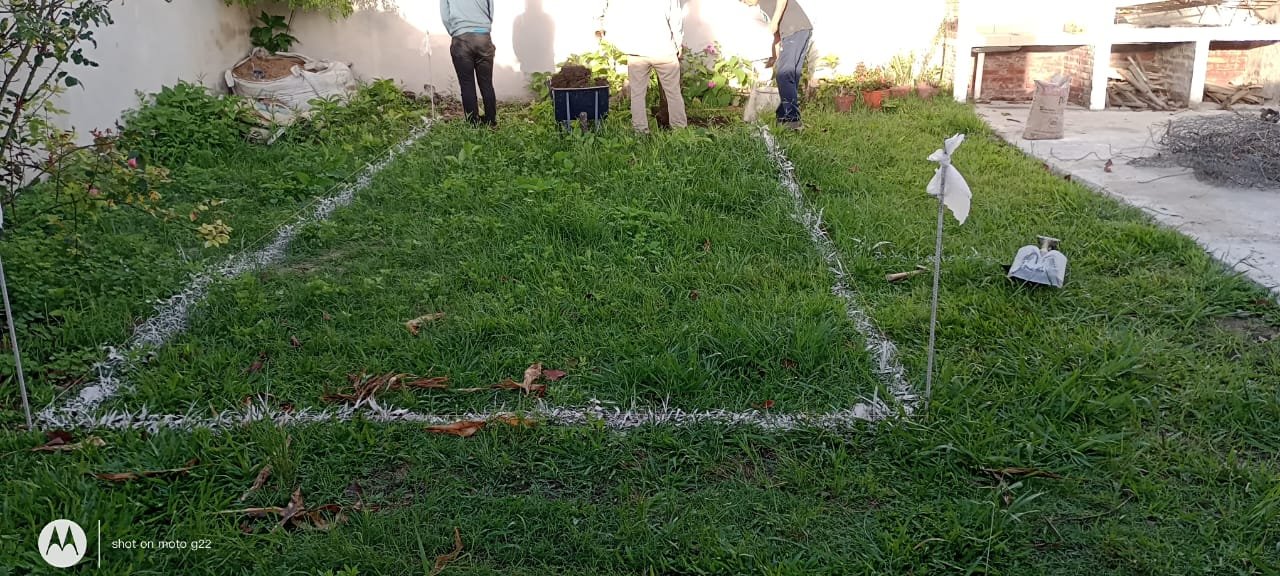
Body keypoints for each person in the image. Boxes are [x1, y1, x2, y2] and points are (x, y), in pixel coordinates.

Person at [598, 0, 687, 134]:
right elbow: (675, 19)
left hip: (636, 51)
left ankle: (640, 131)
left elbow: (617, 15)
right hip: (664, 49)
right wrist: (678, 43)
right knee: (673, 93)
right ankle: (679, 131)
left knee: (637, 94)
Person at [741, 0, 812, 130]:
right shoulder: (763, 5)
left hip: (795, 30)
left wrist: (774, 21)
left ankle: (792, 120)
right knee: (790, 75)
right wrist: (774, 56)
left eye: (745, 0)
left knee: (784, 76)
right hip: (797, 31)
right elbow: (777, 34)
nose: (746, 3)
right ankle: (783, 117)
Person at [441, 0, 497, 127]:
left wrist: (455, 31)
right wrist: (483, 27)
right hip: (483, 37)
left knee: (467, 85)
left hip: (461, 38)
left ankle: (473, 124)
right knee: (486, 83)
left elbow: (445, 16)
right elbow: (490, 10)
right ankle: (491, 121)